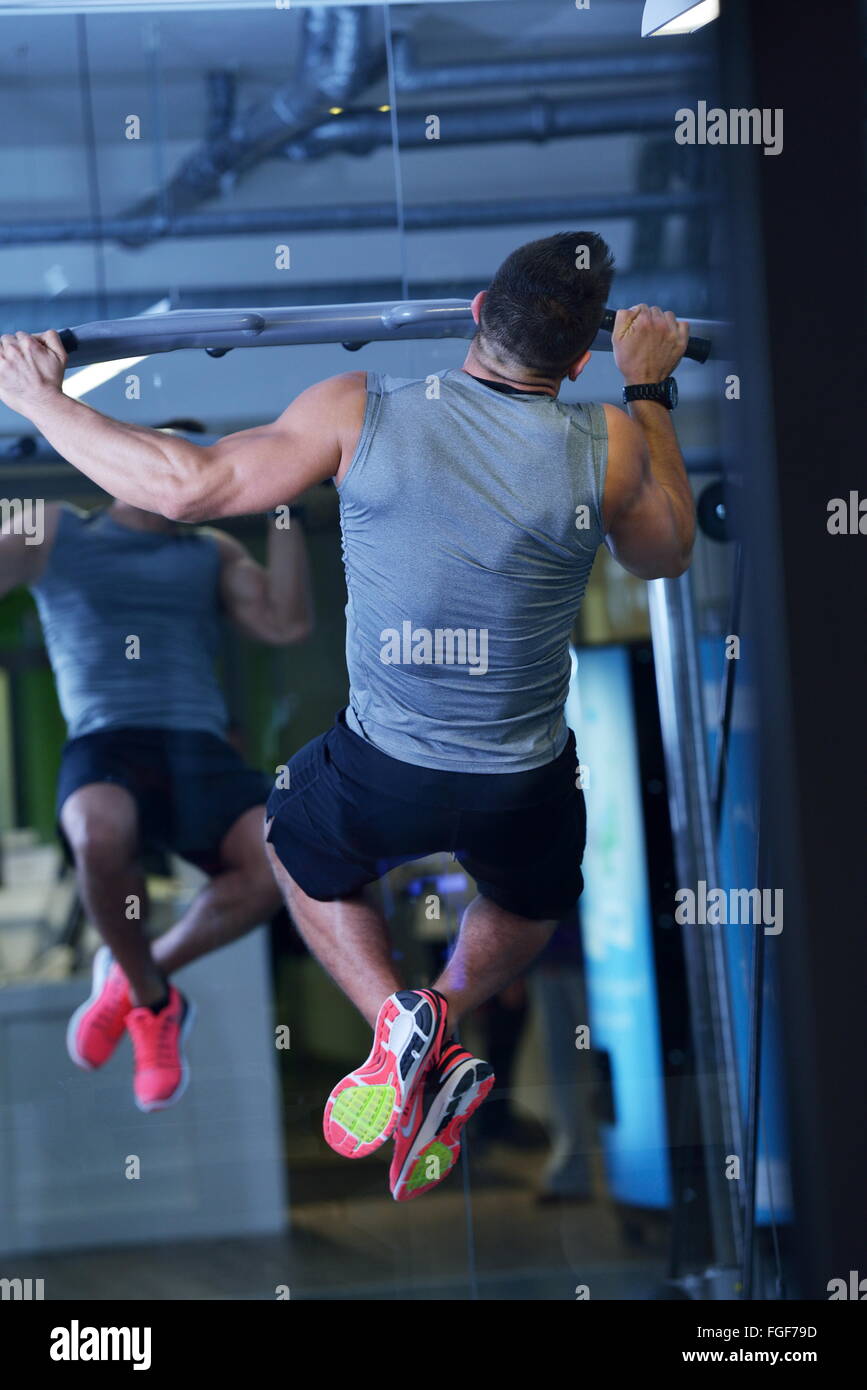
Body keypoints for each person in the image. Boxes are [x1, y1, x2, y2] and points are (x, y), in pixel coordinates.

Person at [0, 231, 695, 1197]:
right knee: (531, 906)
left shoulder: (357, 411)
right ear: (581, 359)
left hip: (384, 772)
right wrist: (650, 393)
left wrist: (38, 399)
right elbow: (665, 554)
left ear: (474, 314)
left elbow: (187, 486)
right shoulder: (607, 440)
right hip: (521, 778)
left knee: (286, 840)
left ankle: (402, 1028)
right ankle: (441, 1013)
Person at [0, 441, 313, 1112]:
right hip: (107, 738)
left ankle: (138, 981)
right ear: (125, 464)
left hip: (198, 742)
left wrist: (286, 509)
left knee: (283, 857)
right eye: (167, 462)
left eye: (196, 468)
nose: (182, 480)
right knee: (96, 831)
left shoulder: (213, 552)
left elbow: (285, 624)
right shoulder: (56, 525)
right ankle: (150, 999)